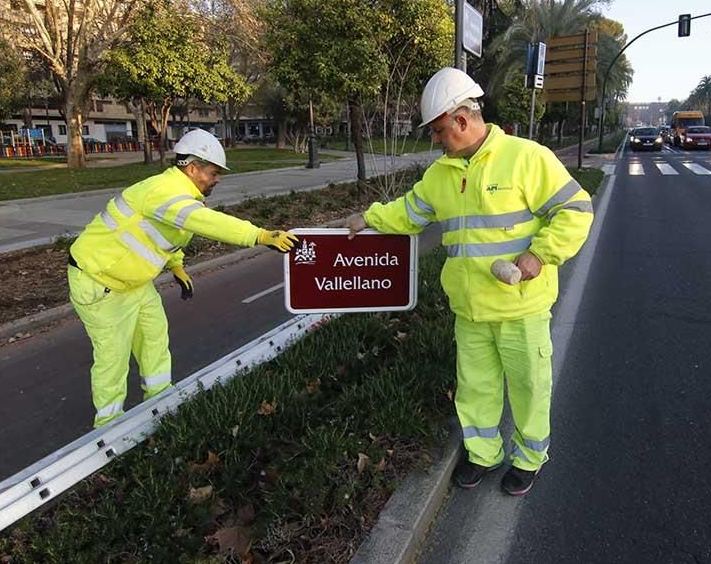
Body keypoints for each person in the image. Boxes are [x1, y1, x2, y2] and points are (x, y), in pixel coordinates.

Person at [346, 67, 593, 496]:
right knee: (475, 389)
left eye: (440, 131)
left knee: (529, 387)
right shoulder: (440, 176)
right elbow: (408, 214)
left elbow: (576, 209)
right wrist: (369, 219)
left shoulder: (526, 157)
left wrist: (540, 254)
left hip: (521, 308)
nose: (436, 140)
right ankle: (483, 454)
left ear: (462, 120)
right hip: (470, 310)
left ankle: (530, 457)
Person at [68, 129, 299, 428]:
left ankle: (160, 403)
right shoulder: (163, 192)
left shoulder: (182, 196)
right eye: (214, 172)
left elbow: (167, 236)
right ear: (192, 168)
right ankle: (110, 427)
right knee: (113, 357)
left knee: (154, 340)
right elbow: (201, 222)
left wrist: (176, 266)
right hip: (99, 282)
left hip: (133, 283)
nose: (217, 179)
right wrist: (259, 235)